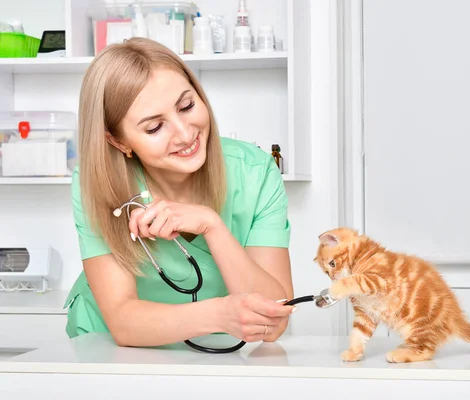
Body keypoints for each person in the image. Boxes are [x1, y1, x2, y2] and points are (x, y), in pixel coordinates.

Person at [63, 37, 296, 347]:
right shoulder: (95, 182)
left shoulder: (254, 172)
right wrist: (216, 315)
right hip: (105, 347)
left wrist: (212, 226)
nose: (185, 134)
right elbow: (123, 320)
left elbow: (273, 322)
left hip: (211, 347)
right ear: (118, 142)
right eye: (154, 127)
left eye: (187, 106)